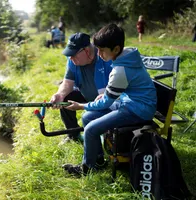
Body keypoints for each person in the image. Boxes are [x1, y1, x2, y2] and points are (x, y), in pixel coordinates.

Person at [62, 23, 157, 176]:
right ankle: (98, 160)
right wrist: (107, 94)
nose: (99, 54)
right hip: (130, 102)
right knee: (87, 118)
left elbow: (106, 102)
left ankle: (87, 168)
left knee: (91, 130)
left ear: (116, 49)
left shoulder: (121, 70)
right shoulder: (126, 56)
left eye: (102, 50)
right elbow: (123, 88)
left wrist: (80, 105)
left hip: (138, 110)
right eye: (98, 49)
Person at [50, 32, 112, 143]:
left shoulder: (105, 56)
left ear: (87, 51)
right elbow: (67, 82)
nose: (71, 58)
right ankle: (73, 135)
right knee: (65, 98)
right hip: (86, 95)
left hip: (108, 99)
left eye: (73, 55)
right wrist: (60, 94)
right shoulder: (72, 61)